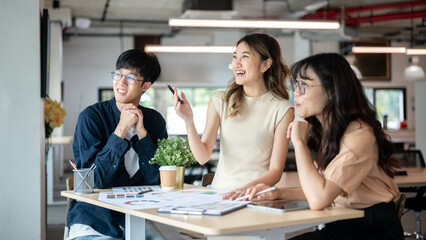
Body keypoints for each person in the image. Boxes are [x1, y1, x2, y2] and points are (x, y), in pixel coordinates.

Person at [247, 53, 404, 240]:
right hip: (344, 224)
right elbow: (322, 188)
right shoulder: (325, 131)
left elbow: (319, 199)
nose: (296, 92)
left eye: (303, 85)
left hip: (372, 230)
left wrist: (299, 143)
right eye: (295, 85)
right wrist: (279, 193)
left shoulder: (359, 135)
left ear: (332, 91)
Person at [172, 33, 294, 199]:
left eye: (245, 56)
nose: (236, 63)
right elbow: (202, 157)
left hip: (256, 196)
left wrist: (243, 190)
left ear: (265, 65)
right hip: (219, 195)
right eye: (235, 57)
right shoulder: (220, 100)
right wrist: (188, 121)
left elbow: (275, 172)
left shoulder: (282, 109)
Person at [67, 49, 167, 240]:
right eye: (118, 74)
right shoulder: (91, 118)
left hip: (138, 220)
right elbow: (91, 182)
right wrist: (120, 130)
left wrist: (142, 134)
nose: (120, 82)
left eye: (130, 77)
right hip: (94, 222)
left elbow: (157, 180)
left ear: (145, 85)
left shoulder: (154, 121)